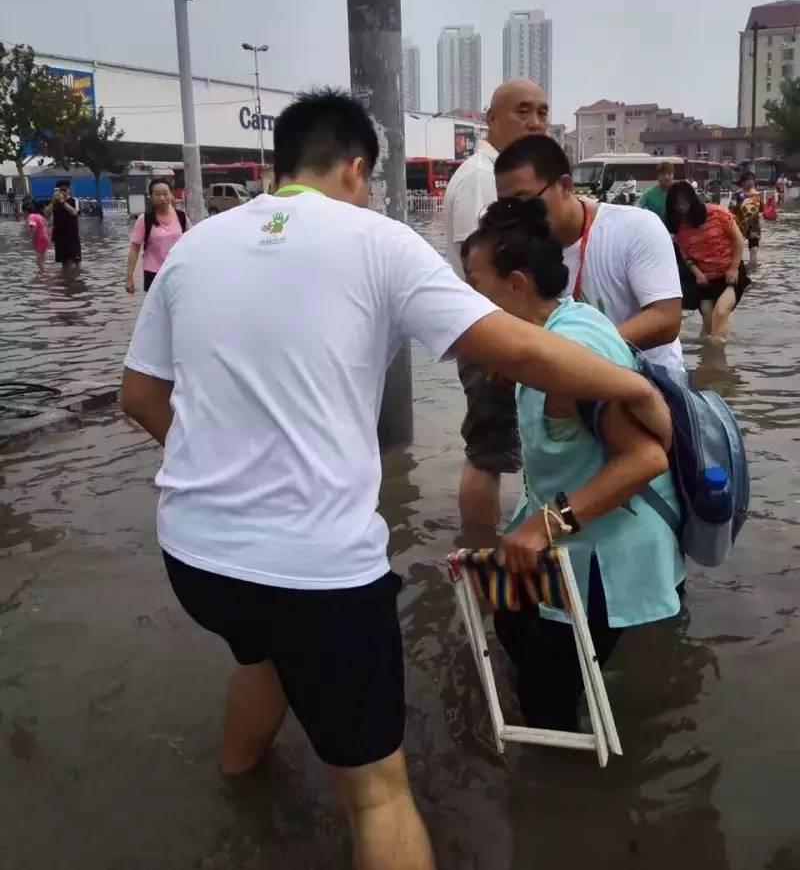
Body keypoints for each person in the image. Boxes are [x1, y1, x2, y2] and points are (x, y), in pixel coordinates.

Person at [121, 89, 670, 870]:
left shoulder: (194, 248)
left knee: (263, 655)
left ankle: (240, 794)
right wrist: (634, 387)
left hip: (195, 556)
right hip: (316, 572)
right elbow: (517, 346)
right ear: (354, 169)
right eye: (370, 182)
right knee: (378, 791)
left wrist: (214, 463)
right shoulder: (376, 240)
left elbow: (138, 396)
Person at [461, 197, 684, 731]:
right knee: (513, 624)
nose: (465, 296)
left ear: (515, 284)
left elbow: (646, 458)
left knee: (547, 705)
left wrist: (543, 525)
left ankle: (567, 797)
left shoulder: (572, 352)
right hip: (568, 542)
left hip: (604, 553)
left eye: (474, 281)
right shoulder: (553, 328)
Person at [443, 79, 550, 529]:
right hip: (491, 339)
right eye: (522, 111)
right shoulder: (483, 178)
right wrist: (502, 350)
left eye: (543, 112)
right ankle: (480, 559)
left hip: (508, 336)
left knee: (510, 448)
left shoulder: (505, 175)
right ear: (490, 119)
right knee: (488, 453)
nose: (535, 121)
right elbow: (483, 275)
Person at [495, 135, 684, 371]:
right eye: (508, 207)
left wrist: (580, 353)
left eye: (526, 201)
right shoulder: (518, 253)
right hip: (572, 384)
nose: (517, 216)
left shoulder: (636, 227)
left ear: (565, 186)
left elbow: (666, 318)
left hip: (652, 380)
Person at [666, 180, 748, 343]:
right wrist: (697, 274)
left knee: (721, 312)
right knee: (708, 324)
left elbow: (738, 239)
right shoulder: (680, 229)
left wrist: (733, 268)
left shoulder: (716, 213)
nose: (681, 206)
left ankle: (717, 357)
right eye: (677, 204)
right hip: (706, 280)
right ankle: (707, 360)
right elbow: (685, 256)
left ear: (692, 199)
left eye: (684, 201)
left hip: (730, 274)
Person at [126, 178, 190, 293]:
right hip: (153, 273)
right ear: (151, 196)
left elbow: (193, 241)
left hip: (177, 271)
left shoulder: (182, 217)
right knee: (156, 310)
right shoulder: (145, 219)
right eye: (157, 194)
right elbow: (135, 249)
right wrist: (129, 277)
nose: (162, 198)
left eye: (165, 194)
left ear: (171, 194)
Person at [729, 170, 761, 269]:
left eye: (752, 179)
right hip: (740, 225)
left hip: (754, 227)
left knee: (754, 250)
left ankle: (752, 267)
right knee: (738, 248)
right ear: (743, 182)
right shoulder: (737, 195)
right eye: (748, 180)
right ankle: (738, 266)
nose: (751, 182)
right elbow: (730, 210)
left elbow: (761, 209)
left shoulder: (756, 195)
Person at [45, 179, 81, 268]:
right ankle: (65, 280)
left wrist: (63, 202)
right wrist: (54, 202)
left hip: (72, 235)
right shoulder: (54, 202)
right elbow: (46, 213)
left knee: (76, 262)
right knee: (64, 263)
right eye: (60, 190)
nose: (62, 192)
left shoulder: (74, 200)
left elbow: (75, 213)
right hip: (59, 236)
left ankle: (76, 279)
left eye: (64, 190)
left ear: (69, 189)